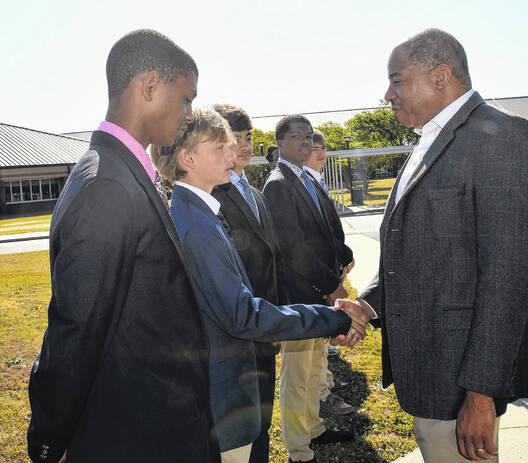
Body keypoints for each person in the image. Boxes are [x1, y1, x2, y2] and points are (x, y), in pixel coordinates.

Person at [335, 28, 528, 462]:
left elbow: (509, 278)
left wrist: (481, 395)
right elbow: (415, 254)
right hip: (433, 372)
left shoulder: (503, 136)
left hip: (462, 381)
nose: (387, 94)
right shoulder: (429, 141)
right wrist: (369, 305)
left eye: (396, 80)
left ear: (440, 76)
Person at [27, 29, 219, 463]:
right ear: (150, 85)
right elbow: (76, 330)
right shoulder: (107, 186)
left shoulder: (123, 171)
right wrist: (50, 441)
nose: (190, 114)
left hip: (159, 422)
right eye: (186, 97)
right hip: (139, 436)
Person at [150, 108, 368, 463]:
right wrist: (333, 318)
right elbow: (243, 315)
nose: (233, 155)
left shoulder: (201, 212)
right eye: (220, 147)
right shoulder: (196, 225)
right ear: (188, 158)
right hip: (223, 397)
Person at [262, 115, 355, 463]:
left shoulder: (307, 178)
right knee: (297, 378)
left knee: (315, 369)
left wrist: (343, 257)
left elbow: (327, 230)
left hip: (320, 294)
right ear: (280, 142)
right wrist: (333, 288)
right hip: (301, 298)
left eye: (308, 137)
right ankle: (298, 451)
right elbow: (294, 248)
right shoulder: (278, 183)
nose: (305, 142)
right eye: (297, 137)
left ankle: (314, 429)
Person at [211, 103, 286, 463]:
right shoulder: (213, 195)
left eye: (248, 137)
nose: (244, 145)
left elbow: (270, 259)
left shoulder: (254, 192)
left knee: (263, 418)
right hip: (239, 331)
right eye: (234, 138)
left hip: (265, 327)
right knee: (240, 426)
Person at [304, 129, 355, 415]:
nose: (321, 153)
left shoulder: (317, 180)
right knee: (310, 350)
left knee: (319, 346)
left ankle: (325, 384)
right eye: (314, 149)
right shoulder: (300, 183)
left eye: (323, 148)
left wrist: (344, 256)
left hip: (330, 266)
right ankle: (322, 393)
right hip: (317, 275)